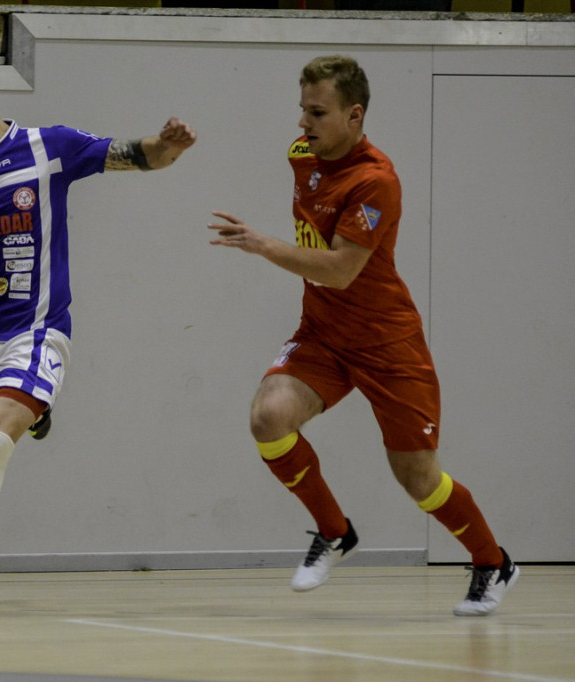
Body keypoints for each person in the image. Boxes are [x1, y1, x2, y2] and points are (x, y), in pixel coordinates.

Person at [207, 55, 517, 616]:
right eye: (302, 110)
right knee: (267, 417)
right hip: (324, 335)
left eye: (318, 112)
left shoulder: (377, 181)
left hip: (387, 343)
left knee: (419, 480)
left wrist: (262, 244)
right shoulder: (303, 155)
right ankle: (334, 531)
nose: (304, 124)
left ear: (355, 115)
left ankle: (493, 561)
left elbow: (341, 270)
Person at [0, 52, 197, 604]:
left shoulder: (47, 148)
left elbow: (124, 154)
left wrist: (166, 150)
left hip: (34, 332)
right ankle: (33, 411)